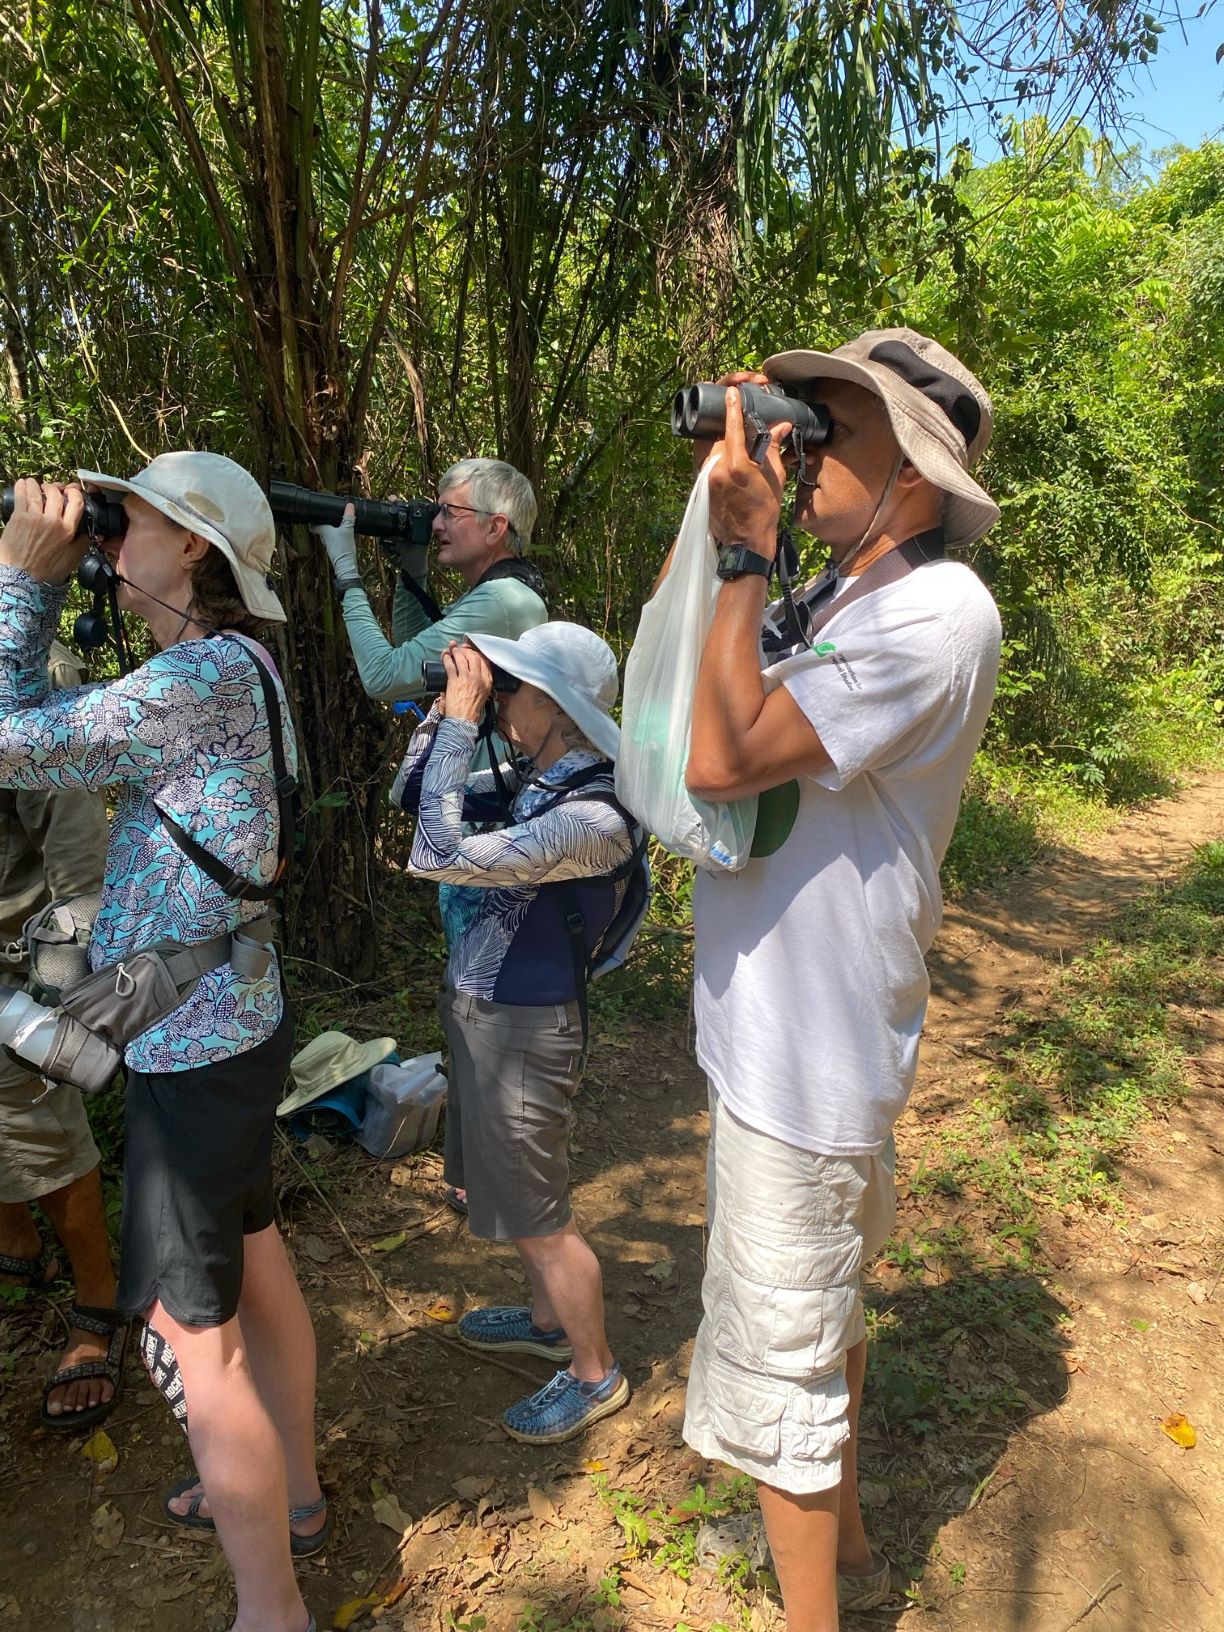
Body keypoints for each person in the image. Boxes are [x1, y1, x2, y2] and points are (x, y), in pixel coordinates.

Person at [675, 329, 1003, 1632]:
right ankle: (852, 1546)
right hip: (793, 1040)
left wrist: (747, 551)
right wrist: (733, 519)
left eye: (828, 434)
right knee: (827, 1307)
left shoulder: (937, 611)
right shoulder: (854, 596)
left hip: (804, 1062)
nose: (796, 453)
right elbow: (708, 698)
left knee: (784, 1366)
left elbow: (721, 754)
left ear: (912, 483)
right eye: (791, 422)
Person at [0, 456, 323, 1632]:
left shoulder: (191, 677)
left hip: (193, 1050)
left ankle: (270, 1610)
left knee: (197, 1341)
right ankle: (296, 1502)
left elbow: (6, 742)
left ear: (193, 546)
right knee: (261, 1264)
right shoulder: (242, 667)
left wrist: (21, 588)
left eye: (124, 518)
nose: (107, 533)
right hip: (236, 1021)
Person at [391, 622, 638, 1442]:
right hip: (483, 1013)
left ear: (560, 707)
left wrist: (464, 722)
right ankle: (545, 1323)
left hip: (525, 1031)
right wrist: (441, 717)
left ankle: (595, 1371)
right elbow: (412, 799)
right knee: (504, 1191)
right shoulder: (538, 780)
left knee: (538, 1214)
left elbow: (431, 852)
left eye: (512, 690)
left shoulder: (592, 816)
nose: (498, 701)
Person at [0, 639, 118, 1430]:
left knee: (42, 1136)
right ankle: (17, 1252)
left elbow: (77, 853)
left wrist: (68, 984)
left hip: (16, 967)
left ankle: (97, 1302)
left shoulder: (20, 672)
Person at [316, 457, 547, 701]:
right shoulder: (504, 590)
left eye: (449, 512)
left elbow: (383, 677)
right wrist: (413, 573)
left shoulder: (501, 602)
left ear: (494, 528)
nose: (436, 524)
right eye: (437, 512)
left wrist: (347, 572)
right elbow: (414, 652)